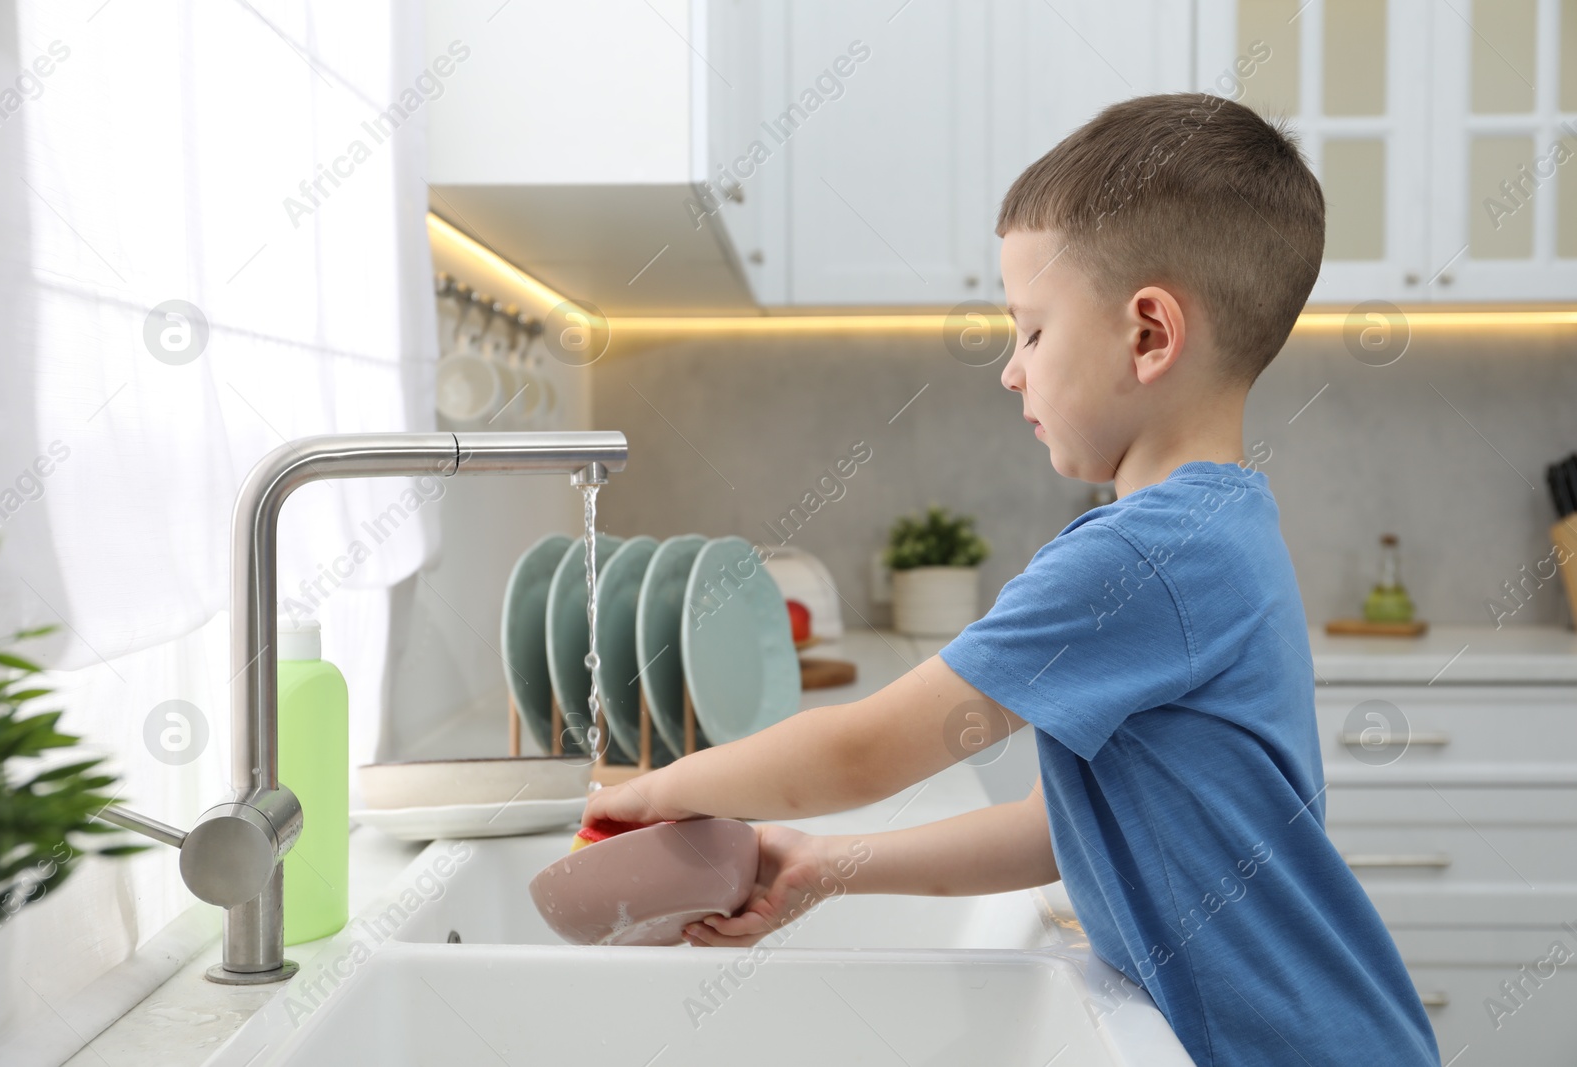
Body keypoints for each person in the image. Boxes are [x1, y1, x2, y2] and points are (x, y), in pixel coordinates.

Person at [581, 91, 1442, 1067]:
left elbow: (864, 752)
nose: (1009, 369)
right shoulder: (1221, 523)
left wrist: (654, 787)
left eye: (1030, 330)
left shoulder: (1141, 554)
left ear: (1149, 334)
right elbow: (1059, 832)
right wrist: (825, 866)